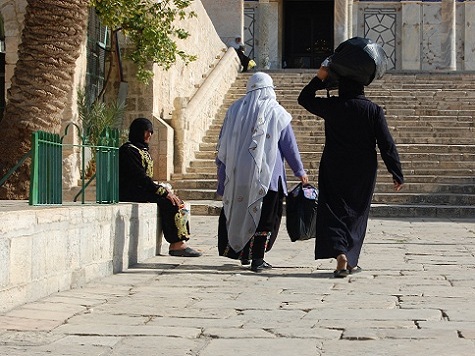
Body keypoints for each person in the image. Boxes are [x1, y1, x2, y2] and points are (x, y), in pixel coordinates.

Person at [297, 63, 404, 278]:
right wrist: (396, 172)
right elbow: (386, 143)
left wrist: (319, 78)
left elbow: (304, 99)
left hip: (334, 165)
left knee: (334, 209)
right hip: (362, 169)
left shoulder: (333, 106)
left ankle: (340, 254)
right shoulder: (373, 110)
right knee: (356, 212)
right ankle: (350, 256)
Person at [216, 72, 309, 272]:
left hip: (238, 175)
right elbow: (288, 145)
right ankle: (257, 258)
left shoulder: (234, 111)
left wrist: (222, 177)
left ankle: (242, 254)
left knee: (239, 213)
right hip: (267, 179)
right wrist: (300, 171)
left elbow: (222, 146)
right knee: (266, 216)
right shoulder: (276, 112)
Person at [119, 117, 202, 257]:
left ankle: (181, 242)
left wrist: (164, 190)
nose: (149, 135)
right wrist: (163, 192)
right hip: (130, 191)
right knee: (169, 202)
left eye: (151, 132)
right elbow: (139, 177)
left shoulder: (141, 149)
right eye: (146, 132)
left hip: (141, 189)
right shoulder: (128, 151)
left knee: (178, 201)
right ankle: (176, 244)